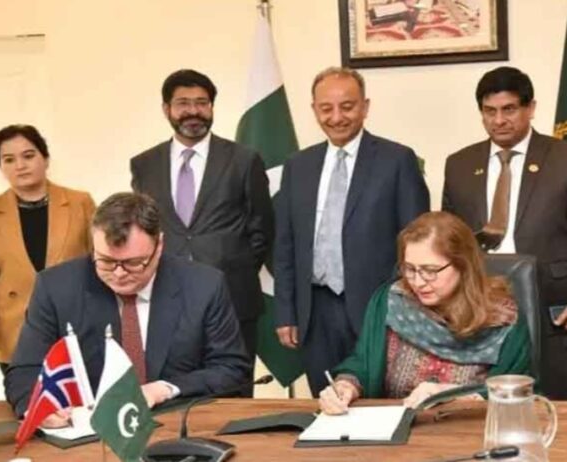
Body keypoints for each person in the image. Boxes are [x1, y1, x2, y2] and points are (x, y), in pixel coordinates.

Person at [5, 192, 249, 424]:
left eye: (133, 263)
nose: (119, 273)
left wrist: (163, 389)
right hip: (89, 432)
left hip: (177, 423)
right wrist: (39, 407)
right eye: (106, 261)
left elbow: (231, 369)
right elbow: (24, 371)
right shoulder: (56, 287)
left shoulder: (204, 286)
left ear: (159, 246)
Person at [442, 66, 567, 400]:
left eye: (509, 109)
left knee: (556, 401)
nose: (499, 120)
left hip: (552, 305)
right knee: (484, 402)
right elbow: (451, 241)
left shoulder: (565, 157)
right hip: (482, 304)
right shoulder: (459, 164)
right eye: (489, 111)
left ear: (530, 108)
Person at [274, 67, 430, 395]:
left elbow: (417, 242)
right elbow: (286, 245)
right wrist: (286, 311)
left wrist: (399, 304)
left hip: (379, 308)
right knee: (328, 400)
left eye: (347, 106)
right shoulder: (298, 166)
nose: (336, 117)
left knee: (381, 402)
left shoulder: (397, 160)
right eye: (326, 108)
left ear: (365, 106)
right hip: (314, 311)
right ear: (314, 109)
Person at [130, 69, 273, 396]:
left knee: (234, 392)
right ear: (166, 109)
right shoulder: (144, 164)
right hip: (166, 299)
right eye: (183, 103)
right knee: (170, 392)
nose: (193, 111)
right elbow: (145, 227)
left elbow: (262, 229)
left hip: (234, 299)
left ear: (211, 107)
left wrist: (230, 268)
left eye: (202, 103)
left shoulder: (244, 160)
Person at [319, 212, 530, 414]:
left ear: (463, 265)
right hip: (394, 428)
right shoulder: (390, 301)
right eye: (410, 269)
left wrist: (452, 394)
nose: (418, 282)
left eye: (430, 271)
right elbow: (362, 364)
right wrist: (346, 385)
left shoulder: (502, 320)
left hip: (468, 431)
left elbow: (518, 392)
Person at [0, 124, 95, 376]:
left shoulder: (80, 202)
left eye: (28, 155)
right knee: (27, 400)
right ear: (0, 167)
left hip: (76, 327)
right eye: (8, 160)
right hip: (16, 333)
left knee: (82, 399)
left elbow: (101, 262)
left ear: (45, 158)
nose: (20, 166)